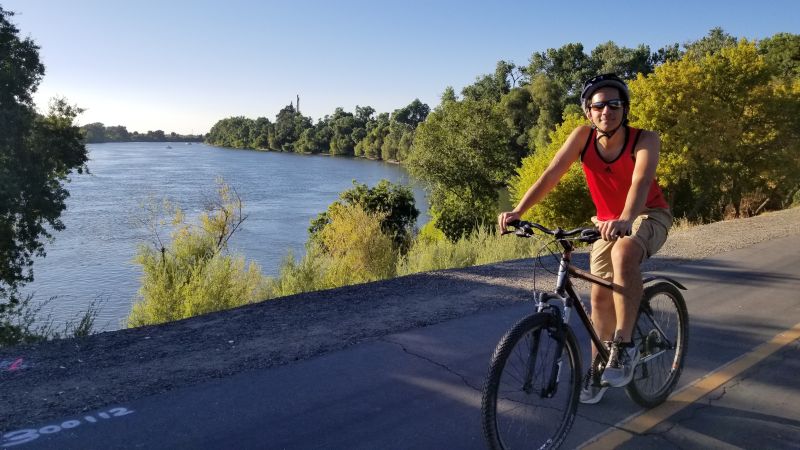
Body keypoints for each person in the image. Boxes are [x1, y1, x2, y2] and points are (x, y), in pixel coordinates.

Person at [497, 73, 672, 404]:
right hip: (608, 222)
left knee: (624, 255)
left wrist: (626, 218)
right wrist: (518, 210)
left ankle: (623, 346)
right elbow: (552, 173)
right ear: (588, 112)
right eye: (599, 105)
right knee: (599, 297)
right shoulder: (582, 138)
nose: (607, 111)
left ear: (625, 109)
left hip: (647, 214)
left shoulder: (645, 139)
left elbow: (640, 180)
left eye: (615, 104)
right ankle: (598, 365)